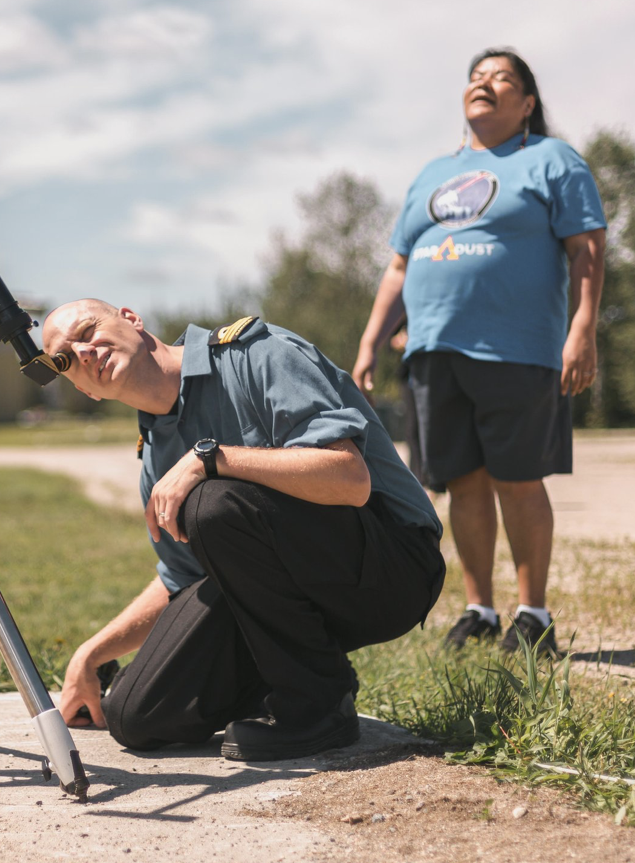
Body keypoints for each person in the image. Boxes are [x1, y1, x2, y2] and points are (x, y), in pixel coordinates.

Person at [43, 300, 445, 760]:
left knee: (211, 502)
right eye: (66, 359)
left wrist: (209, 459)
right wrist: (91, 654)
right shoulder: (155, 451)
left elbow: (351, 480)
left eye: (89, 330)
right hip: (305, 598)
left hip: (391, 569)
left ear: (131, 319)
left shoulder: (256, 354)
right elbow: (182, 581)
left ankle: (318, 703)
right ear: (84, 390)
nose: (84, 352)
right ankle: (290, 676)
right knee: (137, 715)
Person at [353, 48, 606, 658]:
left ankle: (533, 615)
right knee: (462, 483)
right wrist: (369, 342)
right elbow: (398, 267)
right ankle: (480, 610)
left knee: (518, 481)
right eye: (476, 77)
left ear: (526, 104)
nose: (484, 84)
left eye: (502, 79)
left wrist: (583, 328)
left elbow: (587, 248)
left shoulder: (551, 160)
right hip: (434, 350)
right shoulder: (431, 173)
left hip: (517, 349)